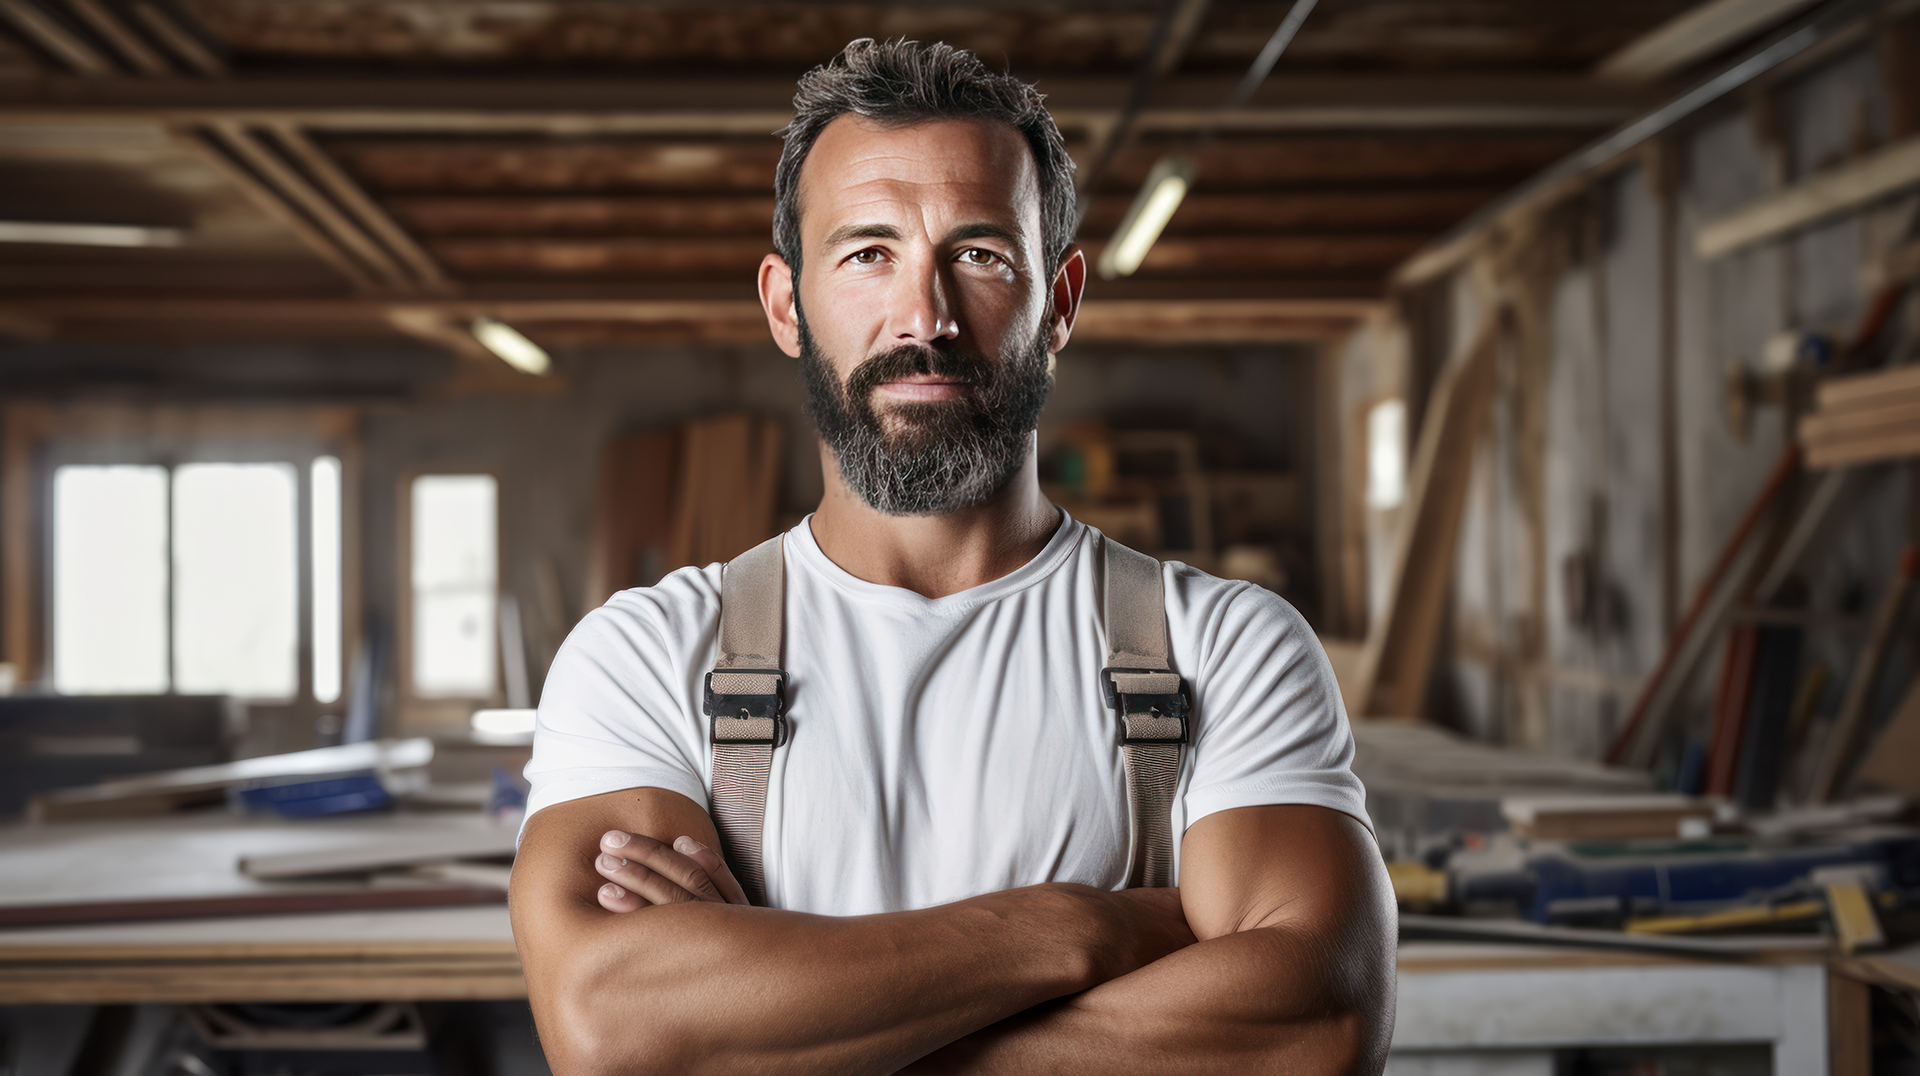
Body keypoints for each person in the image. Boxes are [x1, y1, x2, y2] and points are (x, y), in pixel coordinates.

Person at [509, 37, 1395, 1076]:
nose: (923, 315)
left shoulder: (1226, 647)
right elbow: (616, 1030)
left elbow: (1313, 1030)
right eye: (866, 253)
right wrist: (1085, 930)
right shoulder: (649, 655)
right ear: (788, 303)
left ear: (1058, 301)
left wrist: (783, 1035)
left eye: (977, 253)